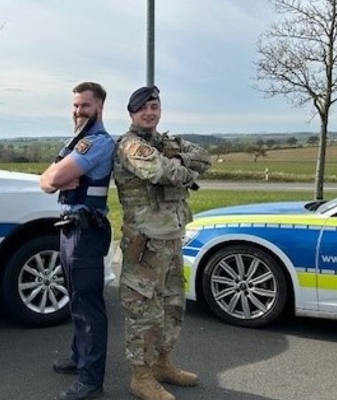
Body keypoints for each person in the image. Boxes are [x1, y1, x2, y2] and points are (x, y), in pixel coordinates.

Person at [113, 86, 210, 400]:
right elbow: (160, 172)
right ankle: (140, 377)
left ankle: (162, 363)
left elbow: (204, 158)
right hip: (145, 244)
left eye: (154, 107)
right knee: (143, 311)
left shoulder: (169, 143)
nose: (149, 113)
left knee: (172, 305)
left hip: (171, 238)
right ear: (132, 113)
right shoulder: (129, 145)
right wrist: (183, 169)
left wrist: (178, 159)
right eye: (142, 108)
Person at [39, 82, 114, 400]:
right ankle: (79, 356)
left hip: (87, 231)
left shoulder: (98, 143)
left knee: (88, 306)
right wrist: (53, 178)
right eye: (75, 105)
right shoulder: (76, 141)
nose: (78, 111)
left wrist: (55, 178)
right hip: (70, 229)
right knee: (75, 299)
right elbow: (45, 182)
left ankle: (91, 379)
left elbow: (54, 178)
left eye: (85, 105)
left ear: (99, 107)